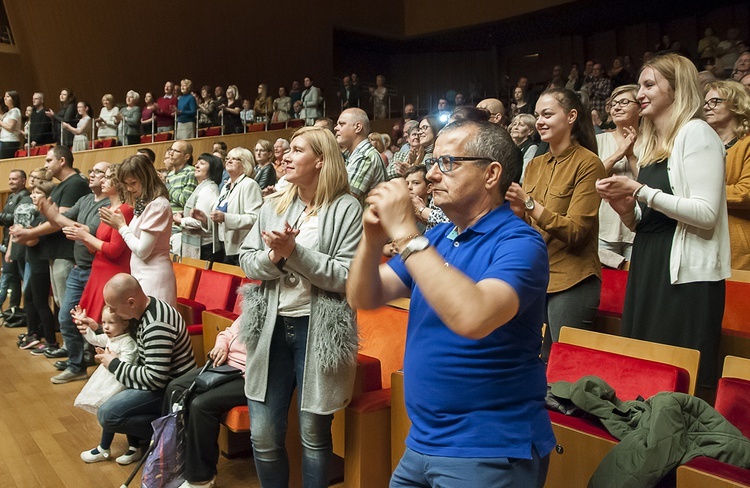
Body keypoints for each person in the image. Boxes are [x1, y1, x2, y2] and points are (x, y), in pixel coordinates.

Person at [347, 119, 554, 487]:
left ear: (491, 174)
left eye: (448, 163)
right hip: (422, 443)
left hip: (488, 450)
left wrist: (408, 235)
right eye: (433, 163)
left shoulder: (520, 243)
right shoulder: (439, 237)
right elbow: (364, 295)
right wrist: (372, 240)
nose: (431, 175)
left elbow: (472, 317)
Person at [596, 53, 730, 392]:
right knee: (643, 365)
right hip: (652, 260)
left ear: (677, 88)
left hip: (685, 275)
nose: (640, 93)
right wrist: (626, 207)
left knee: (677, 373)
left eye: (649, 84)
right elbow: (650, 220)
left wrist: (639, 189)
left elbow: (705, 212)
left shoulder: (697, 133)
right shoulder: (656, 144)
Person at [239, 126, 362, 488]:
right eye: (286, 150)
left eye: (296, 150)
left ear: (320, 160)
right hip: (272, 326)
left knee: (313, 435)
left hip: (319, 328)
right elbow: (247, 259)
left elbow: (345, 275)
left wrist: (295, 253)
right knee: (262, 434)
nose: (286, 156)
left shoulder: (346, 208)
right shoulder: (275, 202)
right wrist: (276, 258)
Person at [505, 87, 606, 360]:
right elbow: (527, 226)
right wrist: (518, 211)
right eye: (537, 115)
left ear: (571, 116)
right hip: (538, 277)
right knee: (531, 360)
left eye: (547, 114)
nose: (539, 121)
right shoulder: (535, 164)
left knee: (564, 367)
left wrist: (529, 204)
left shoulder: (589, 163)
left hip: (573, 280)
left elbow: (575, 232)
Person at [96, 273, 195, 465]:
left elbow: (155, 378)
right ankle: (149, 435)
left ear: (131, 302)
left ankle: (170, 431)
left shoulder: (155, 325)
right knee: (108, 403)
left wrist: (115, 365)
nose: (113, 313)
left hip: (171, 389)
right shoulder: (147, 307)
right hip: (164, 382)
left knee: (107, 415)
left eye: (114, 308)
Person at [37, 161, 112, 384]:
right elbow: (62, 222)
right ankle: (77, 364)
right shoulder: (85, 199)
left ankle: (100, 366)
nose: (93, 174)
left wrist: (56, 216)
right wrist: (49, 213)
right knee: (67, 316)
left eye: (99, 172)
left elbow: (86, 230)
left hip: (98, 269)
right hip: (80, 268)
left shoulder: (109, 204)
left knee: (96, 320)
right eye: (92, 170)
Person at [163, 316, 247, 488]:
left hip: (248, 376)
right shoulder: (255, 302)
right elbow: (228, 333)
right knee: (175, 388)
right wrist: (220, 346)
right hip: (225, 365)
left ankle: (202, 477)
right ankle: (173, 459)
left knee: (201, 405)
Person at [99, 154, 177, 305]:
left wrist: (121, 227)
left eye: (133, 183)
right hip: (141, 274)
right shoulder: (146, 203)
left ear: (146, 178)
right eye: (126, 184)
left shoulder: (158, 205)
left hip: (154, 277)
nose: (129, 188)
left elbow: (143, 251)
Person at [75, 305, 138, 462]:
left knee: (113, 411)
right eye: (103, 322)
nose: (106, 327)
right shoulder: (111, 337)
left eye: (111, 323)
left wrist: (113, 359)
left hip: (121, 383)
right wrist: (86, 327)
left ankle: (132, 447)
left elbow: (128, 363)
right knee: (106, 411)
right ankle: (106, 448)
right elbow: (95, 339)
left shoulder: (127, 342)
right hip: (109, 379)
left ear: (124, 323)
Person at [704, 80, 750, 270]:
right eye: (706, 103)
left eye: (715, 101)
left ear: (735, 105)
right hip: (704, 240)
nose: (707, 107)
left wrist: (702, 194)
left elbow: (745, 193)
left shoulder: (746, 144)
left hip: (736, 242)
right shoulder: (702, 145)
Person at [597, 84, 641, 261]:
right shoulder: (599, 140)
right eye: (613, 103)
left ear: (640, 108)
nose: (616, 107)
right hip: (604, 228)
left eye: (624, 102)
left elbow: (649, 184)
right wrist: (618, 154)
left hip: (638, 228)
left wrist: (630, 156)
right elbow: (591, 178)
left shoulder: (652, 141)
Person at [198, 147, 262, 265]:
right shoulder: (226, 186)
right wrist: (205, 219)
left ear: (245, 163)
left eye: (235, 159)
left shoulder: (249, 185)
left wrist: (225, 218)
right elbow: (220, 219)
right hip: (222, 246)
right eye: (227, 158)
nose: (229, 161)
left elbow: (255, 218)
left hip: (240, 248)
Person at [174, 153, 222, 260]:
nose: (196, 166)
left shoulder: (208, 190)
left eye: (202, 163)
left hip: (204, 248)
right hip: (199, 244)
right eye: (197, 162)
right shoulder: (201, 186)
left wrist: (180, 220)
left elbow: (199, 222)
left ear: (212, 169)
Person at [335, 108, 386, 203]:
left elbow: (345, 201)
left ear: (358, 127)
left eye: (341, 124)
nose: (336, 128)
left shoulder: (364, 156)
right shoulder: (354, 155)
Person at [0, 169, 30, 311]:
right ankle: (13, 308)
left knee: (14, 277)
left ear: (23, 181)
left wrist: (1, 217)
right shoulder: (12, 196)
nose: (11, 181)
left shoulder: (25, 197)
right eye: (10, 179)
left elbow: (16, 219)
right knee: (11, 277)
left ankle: (15, 308)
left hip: (19, 244)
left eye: (15, 179)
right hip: (8, 241)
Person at [507, 113, 538, 181]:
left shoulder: (532, 148)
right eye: (514, 124)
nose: (516, 127)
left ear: (530, 131)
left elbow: (522, 177)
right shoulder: (509, 147)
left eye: (521, 125)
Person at [0, 90, 22, 158]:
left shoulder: (15, 111)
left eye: (7, 96)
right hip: (4, 140)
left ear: (13, 99)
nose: (5, 98)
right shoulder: (8, 112)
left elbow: (10, 128)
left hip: (10, 141)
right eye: (4, 97)